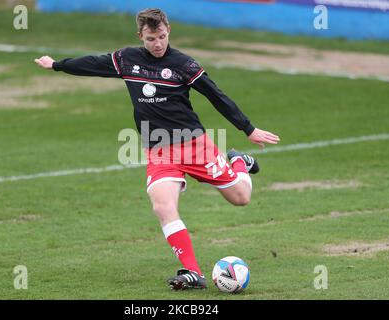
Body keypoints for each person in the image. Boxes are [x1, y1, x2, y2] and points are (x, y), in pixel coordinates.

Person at [35, 8, 280, 290]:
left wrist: (248, 129)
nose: (158, 44)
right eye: (151, 38)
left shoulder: (184, 65)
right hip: (159, 150)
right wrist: (57, 65)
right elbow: (93, 63)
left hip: (194, 146)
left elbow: (216, 95)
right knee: (163, 207)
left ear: (169, 31)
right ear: (141, 36)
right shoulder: (127, 59)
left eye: (162, 36)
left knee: (241, 198)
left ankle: (238, 161)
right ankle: (193, 272)